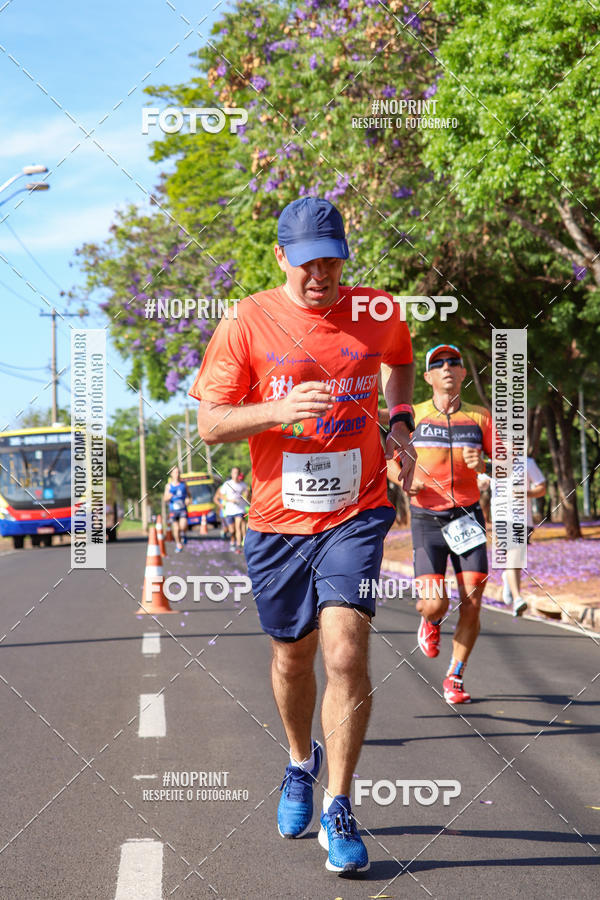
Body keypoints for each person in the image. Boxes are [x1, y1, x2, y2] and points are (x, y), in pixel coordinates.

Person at [190, 196, 415, 876]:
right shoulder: (247, 320)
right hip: (276, 521)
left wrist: (399, 422)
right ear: (282, 256)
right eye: (309, 260)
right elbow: (211, 424)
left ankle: (340, 806)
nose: (323, 273)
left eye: (334, 259)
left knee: (345, 652)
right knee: (293, 657)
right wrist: (279, 409)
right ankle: (298, 763)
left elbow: (398, 360)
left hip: (357, 509)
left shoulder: (377, 311)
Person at [407, 344, 492, 705]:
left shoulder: (481, 418)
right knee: (433, 603)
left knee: (473, 599)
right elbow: (391, 461)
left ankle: (455, 675)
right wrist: (403, 478)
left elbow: (507, 465)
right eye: (438, 364)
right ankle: (431, 621)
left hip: (468, 517)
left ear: (462, 374)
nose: (447, 367)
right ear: (427, 377)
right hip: (427, 518)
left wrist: (484, 463)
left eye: (453, 363)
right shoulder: (413, 415)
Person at [480, 457, 546, 616]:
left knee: (515, 558)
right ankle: (517, 598)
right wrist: (483, 476)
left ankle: (508, 579)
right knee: (513, 555)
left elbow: (542, 488)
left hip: (523, 520)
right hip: (502, 520)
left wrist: (526, 492)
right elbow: (480, 484)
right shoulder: (492, 464)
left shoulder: (528, 463)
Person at [219, 466, 250, 551]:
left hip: (240, 509)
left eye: (237, 473)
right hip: (229, 511)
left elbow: (248, 496)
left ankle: (238, 544)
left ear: (239, 474)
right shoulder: (227, 484)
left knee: (238, 526)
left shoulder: (243, 485)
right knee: (232, 530)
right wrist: (230, 500)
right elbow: (220, 495)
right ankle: (233, 541)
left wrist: (247, 496)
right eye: (234, 473)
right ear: (231, 474)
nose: (235, 475)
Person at [163, 466, 189, 552]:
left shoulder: (184, 484)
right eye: (175, 472)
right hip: (173, 510)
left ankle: (183, 534)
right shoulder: (168, 486)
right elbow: (165, 499)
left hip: (182, 509)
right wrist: (168, 497)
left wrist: (188, 499)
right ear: (171, 474)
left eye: (178, 472)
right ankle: (178, 544)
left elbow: (189, 495)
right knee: (176, 528)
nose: (177, 474)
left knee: (183, 526)